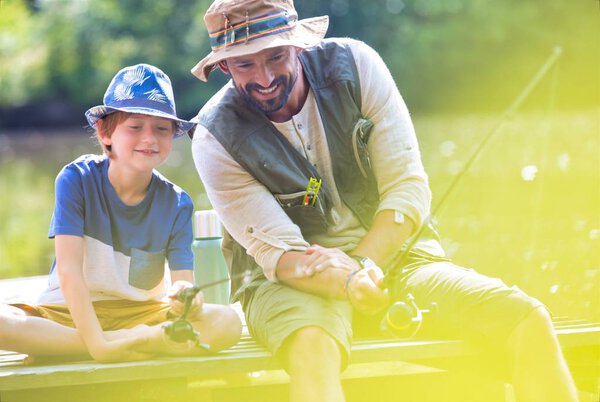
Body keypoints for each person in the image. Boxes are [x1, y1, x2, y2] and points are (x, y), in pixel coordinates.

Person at [189, 1, 579, 401]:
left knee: (528, 318)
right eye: (245, 66)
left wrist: (364, 265)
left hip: (398, 257)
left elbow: (407, 190)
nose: (266, 77)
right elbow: (281, 255)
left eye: (276, 57)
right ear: (224, 67)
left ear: (299, 45)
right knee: (313, 347)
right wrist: (350, 282)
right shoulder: (212, 137)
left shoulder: (356, 65)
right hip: (285, 281)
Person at [0, 64, 241, 363]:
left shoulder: (178, 203)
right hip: (69, 311)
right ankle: (121, 344)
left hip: (142, 315)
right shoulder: (76, 178)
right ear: (105, 132)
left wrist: (185, 300)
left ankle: (71, 346)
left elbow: (182, 282)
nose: (149, 139)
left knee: (227, 322)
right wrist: (98, 344)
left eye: (161, 129)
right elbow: (69, 271)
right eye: (135, 127)